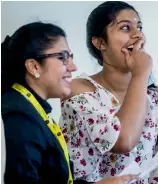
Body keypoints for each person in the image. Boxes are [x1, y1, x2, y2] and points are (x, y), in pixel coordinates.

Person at [59, 1, 158, 183]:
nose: (138, 35)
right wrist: (141, 74)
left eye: (139, 27)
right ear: (100, 42)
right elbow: (123, 140)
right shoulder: (79, 91)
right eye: (126, 27)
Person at [1, 21, 136, 184]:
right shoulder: (18, 116)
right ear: (34, 66)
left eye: (70, 57)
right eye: (63, 57)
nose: (73, 67)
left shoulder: (29, 109)